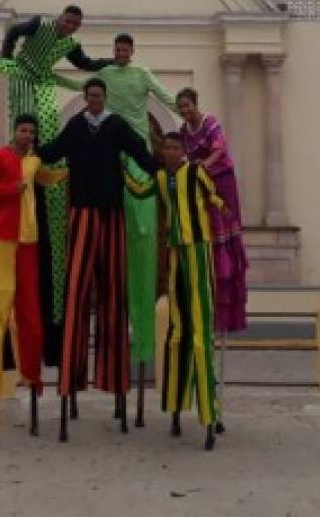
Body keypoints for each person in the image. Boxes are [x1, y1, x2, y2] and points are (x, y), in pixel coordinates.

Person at [36, 77, 158, 442]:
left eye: (98, 95)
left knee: (113, 299)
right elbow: (53, 151)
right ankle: (70, 384)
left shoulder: (117, 125)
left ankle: (114, 381)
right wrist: (25, 152)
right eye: (89, 95)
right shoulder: (75, 126)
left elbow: (140, 152)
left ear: (104, 98)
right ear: (85, 98)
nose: (93, 100)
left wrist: (165, 167)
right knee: (76, 296)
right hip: (81, 216)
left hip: (111, 217)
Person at [0, 5, 112, 366]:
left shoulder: (71, 43)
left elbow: (86, 65)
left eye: (75, 23)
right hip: (21, 74)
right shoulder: (39, 24)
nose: (69, 26)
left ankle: (46, 154)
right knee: (26, 114)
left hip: (44, 79)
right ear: (60, 17)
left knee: (47, 113)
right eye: (67, 20)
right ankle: (24, 146)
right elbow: (14, 33)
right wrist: (7, 60)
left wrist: (111, 64)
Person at [96, 32, 177, 425]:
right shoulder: (106, 74)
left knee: (145, 233)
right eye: (117, 50)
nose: (121, 54)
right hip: (115, 155)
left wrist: (195, 117)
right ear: (114, 52)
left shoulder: (142, 73)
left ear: (133, 52)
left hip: (140, 157)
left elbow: (167, 96)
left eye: (126, 50)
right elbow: (81, 84)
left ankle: (143, 338)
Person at [128, 132, 223, 451]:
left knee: (200, 330)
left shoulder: (196, 172)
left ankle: (210, 412)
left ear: (183, 151)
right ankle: (177, 406)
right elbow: (140, 191)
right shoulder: (158, 177)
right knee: (177, 331)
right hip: (174, 253)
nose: (170, 152)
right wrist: (121, 170)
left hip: (197, 249)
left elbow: (218, 200)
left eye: (175, 147)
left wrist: (227, 230)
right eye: (166, 147)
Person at [0, 114, 66, 448]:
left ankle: (33, 377)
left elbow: (48, 177)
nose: (28, 135)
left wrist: (78, 166)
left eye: (31, 131)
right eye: (23, 130)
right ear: (14, 130)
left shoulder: (33, 161)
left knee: (32, 321)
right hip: (2, 241)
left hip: (29, 244)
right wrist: (10, 189)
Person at [176, 88, 249, 334]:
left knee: (223, 234)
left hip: (222, 183)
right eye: (181, 107)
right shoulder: (183, 132)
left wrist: (202, 166)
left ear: (195, 104)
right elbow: (180, 154)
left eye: (187, 105)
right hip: (202, 187)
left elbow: (218, 150)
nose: (185, 111)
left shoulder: (210, 124)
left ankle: (229, 303)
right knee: (207, 232)